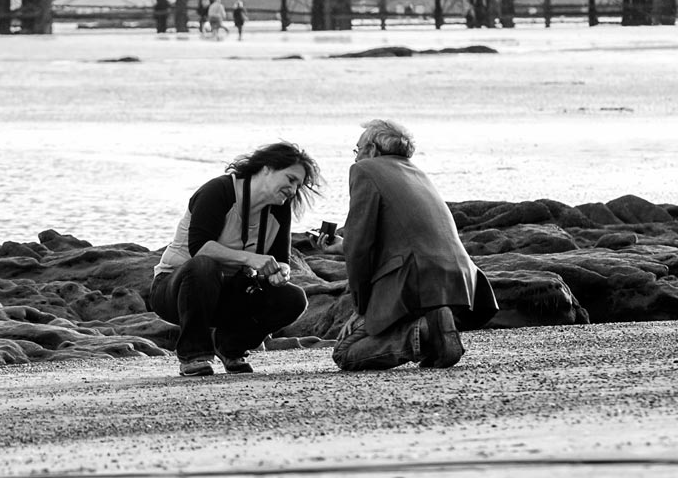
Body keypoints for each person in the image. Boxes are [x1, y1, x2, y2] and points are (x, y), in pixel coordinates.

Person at [333, 119, 498, 371]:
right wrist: (340, 246)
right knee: (368, 339)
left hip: (414, 283)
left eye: (358, 150)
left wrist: (360, 308)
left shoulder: (365, 170)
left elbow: (359, 248)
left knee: (344, 354)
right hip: (458, 281)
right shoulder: (416, 172)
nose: (356, 158)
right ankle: (433, 332)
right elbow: (400, 236)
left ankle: (422, 332)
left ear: (373, 150)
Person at [149, 142, 322, 377]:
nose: (293, 190)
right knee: (204, 265)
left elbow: (280, 259)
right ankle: (194, 355)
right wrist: (251, 259)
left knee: (293, 297)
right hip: (176, 289)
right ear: (267, 168)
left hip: (229, 292)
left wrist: (280, 272)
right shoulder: (219, 191)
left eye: (298, 185)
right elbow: (200, 247)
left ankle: (231, 346)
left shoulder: (280, 208)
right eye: (290, 179)